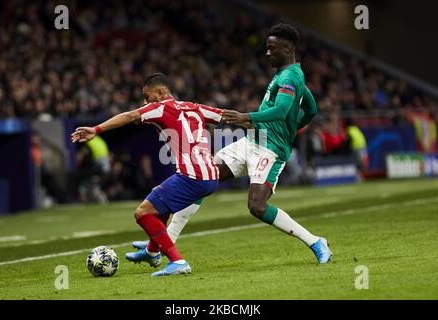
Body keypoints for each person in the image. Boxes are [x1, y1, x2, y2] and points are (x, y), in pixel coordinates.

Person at [133, 24, 332, 264]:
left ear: (287, 48)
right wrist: (295, 127)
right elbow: (311, 109)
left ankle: (314, 241)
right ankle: (164, 244)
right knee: (201, 176)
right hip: (252, 141)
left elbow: (281, 110)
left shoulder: (291, 76)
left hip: (270, 149)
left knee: (257, 206)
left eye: (272, 48)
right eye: (267, 48)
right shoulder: (288, 75)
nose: (267, 53)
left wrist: (249, 118)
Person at [71, 73, 223, 276]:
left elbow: (130, 116)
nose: (145, 101)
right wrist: (258, 121)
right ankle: (152, 251)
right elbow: (225, 115)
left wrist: (97, 129)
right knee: (158, 202)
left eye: (147, 96)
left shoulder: (160, 107)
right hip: (211, 176)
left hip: (192, 176)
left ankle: (178, 261)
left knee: (142, 213)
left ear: (160, 93)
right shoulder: (193, 106)